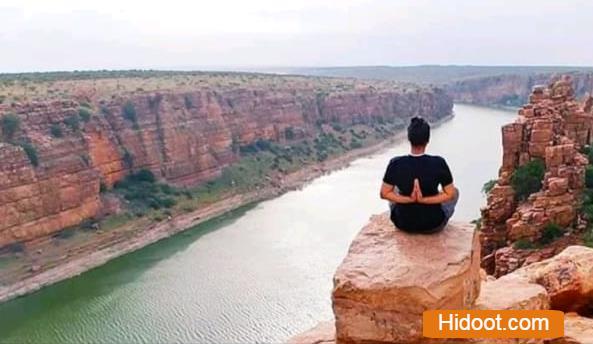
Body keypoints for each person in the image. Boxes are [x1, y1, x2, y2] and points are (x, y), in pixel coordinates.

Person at [379, 117, 458, 233]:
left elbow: (383, 194)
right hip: (433, 224)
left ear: (409, 138)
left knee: (393, 189)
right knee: (455, 191)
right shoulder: (439, 162)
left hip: (403, 223)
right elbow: (450, 195)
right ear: (428, 140)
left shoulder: (395, 163)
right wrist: (423, 200)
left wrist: (409, 199)